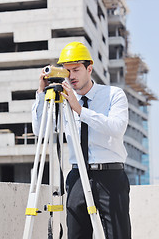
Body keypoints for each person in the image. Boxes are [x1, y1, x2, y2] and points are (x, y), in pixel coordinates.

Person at [32, 41, 131, 239]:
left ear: (89, 68)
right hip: (77, 177)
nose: (71, 76)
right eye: (67, 71)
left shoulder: (113, 95)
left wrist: (80, 110)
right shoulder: (63, 100)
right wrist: (41, 95)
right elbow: (40, 131)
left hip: (110, 177)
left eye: (76, 70)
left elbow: (116, 128)